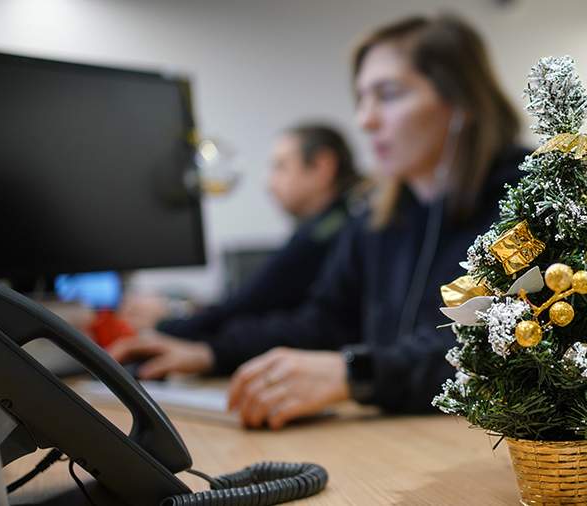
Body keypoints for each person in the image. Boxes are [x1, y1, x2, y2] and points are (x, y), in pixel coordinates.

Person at [111, 14, 527, 429]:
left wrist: (355, 374)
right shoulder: (377, 220)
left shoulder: (526, 201)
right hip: (403, 434)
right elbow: (323, 323)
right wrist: (212, 353)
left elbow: (500, 344)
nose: (365, 120)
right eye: (362, 99)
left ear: (461, 101)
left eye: (388, 94)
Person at [111, 124, 362, 378]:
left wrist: (170, 327)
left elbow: (249, 305)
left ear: (322, 166)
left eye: (281, 167)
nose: (269, 184)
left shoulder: (328, 232)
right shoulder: (341, 221)